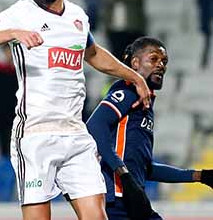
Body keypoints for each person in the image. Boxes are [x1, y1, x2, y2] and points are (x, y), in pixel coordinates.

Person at [0, 0, 151, 220]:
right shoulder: (21, 13)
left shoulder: (77, 16)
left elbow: (93, 53)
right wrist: (12, 32)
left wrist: (134, 76)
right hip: (35, 135)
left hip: (75, 133)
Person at [86, 37, 213, 219]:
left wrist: (199, 176)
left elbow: (143, 167)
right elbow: (95, 126)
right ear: (135, 63)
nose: (161, 65)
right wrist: (124, 174)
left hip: (132, 197)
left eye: (164, 61)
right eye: (153, 59)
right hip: (116, 199)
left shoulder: (145, 106)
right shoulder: (128, 90)